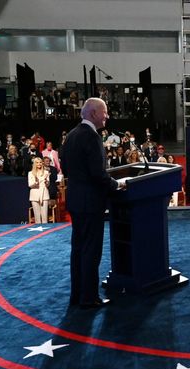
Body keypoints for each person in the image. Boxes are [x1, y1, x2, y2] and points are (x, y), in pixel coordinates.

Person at [60, 97, 125, 309]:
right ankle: (89, 298)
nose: (107, 116)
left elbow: (67, 170)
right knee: (91, 251)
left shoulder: (70, 136)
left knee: (78, 250)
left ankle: (77, 295)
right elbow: (98, 174)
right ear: (94, 113)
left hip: (76, 202)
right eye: (105, 112)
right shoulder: (92, 137)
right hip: (90, 204)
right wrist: (117, 185)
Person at [28, 157, 51, 223]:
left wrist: (47, 181)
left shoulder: (46, 172)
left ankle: (46, 232)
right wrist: (36, 182)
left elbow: (47, 185)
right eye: (37, 162)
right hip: (35, 195)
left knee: (45, 217)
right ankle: (39, 232)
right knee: (37, 217)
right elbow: (30, 185)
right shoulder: (30, 173)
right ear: (34, 164)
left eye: (40, 162)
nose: (39, 164)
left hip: (44, 194)